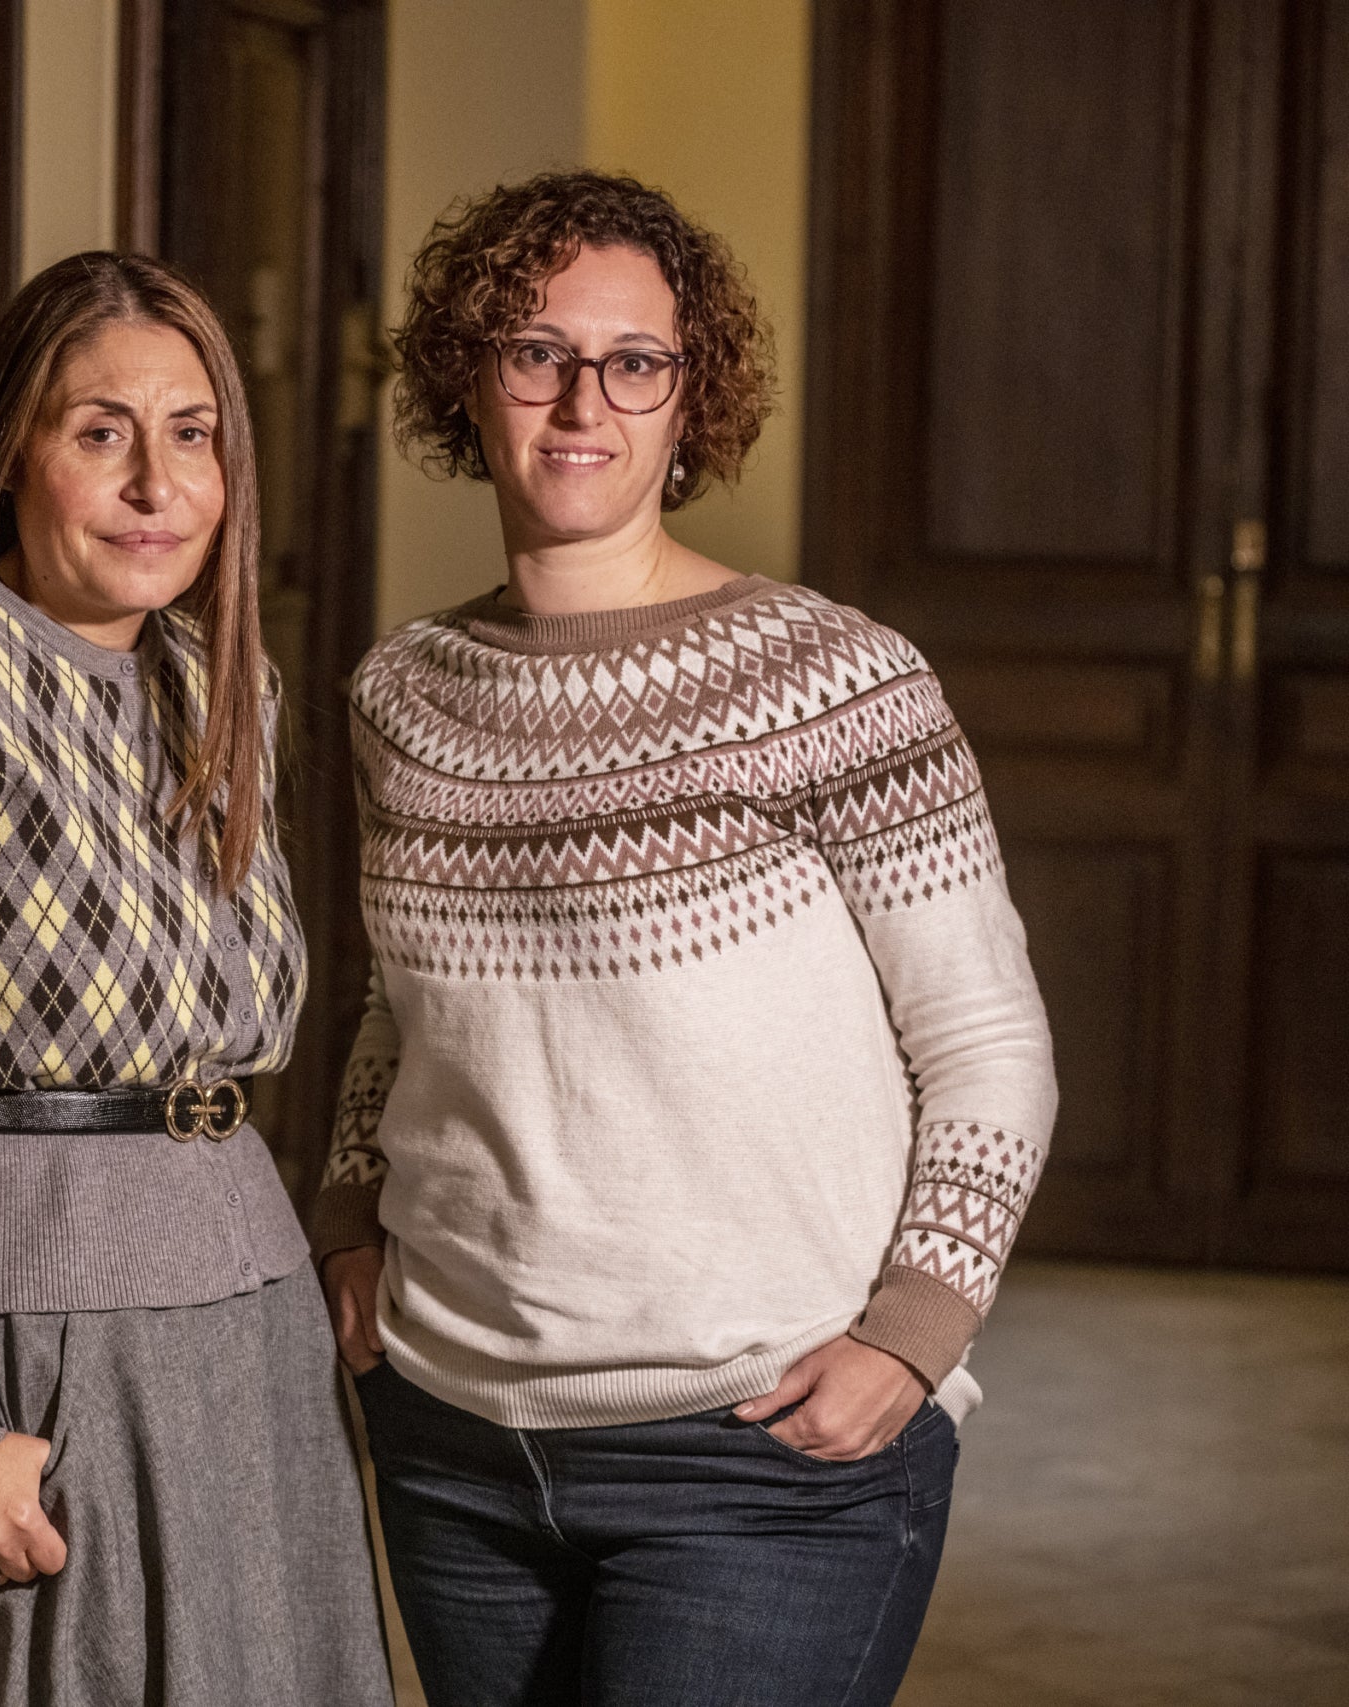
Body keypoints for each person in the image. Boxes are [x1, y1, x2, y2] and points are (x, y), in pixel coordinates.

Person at [314, 170, 1057, 1707]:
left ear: (688, 396)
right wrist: (348, 1217)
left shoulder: (836, 681)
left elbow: (988, 1045)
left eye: (634, 361)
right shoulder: (404, 693)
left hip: (757, 1451)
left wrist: (914, 1337)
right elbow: (404, 1007)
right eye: (536, 350)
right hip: (456, 1438)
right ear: (473, 377)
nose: (583, 398)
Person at [0, 251, 392, 1707]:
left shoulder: (217, 679)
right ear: (14, 457)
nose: (154, 482)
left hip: (246, 1322)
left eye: (193, 435)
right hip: (20, 1350)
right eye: (100, 431)